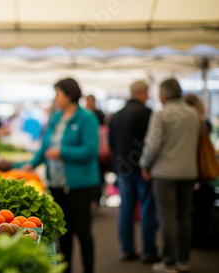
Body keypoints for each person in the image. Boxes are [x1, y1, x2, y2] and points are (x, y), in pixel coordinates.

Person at [23, 78, 100, 273]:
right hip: (56, 184)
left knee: (83, 232)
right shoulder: (57, 117)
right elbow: (45, 146)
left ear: (69, 95)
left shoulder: (87, 118)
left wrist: (62, 152)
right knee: (63, 233)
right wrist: (31, 164)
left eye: (58, 93)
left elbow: (91, 150)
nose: (55, 98)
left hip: (81, 185)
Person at [139, 79, 200, 273]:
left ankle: (169, 263)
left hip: (165, 173)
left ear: (164, 95)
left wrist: (144, 165)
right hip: (189, 172)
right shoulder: (193, 113)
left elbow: (152, 145)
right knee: (184, 216)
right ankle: (184, 260)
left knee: (167, 217)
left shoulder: (161, 114)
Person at [109, 81, 159, 263]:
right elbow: (152, 142)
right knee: (147, 209)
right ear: (142, 92)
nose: (148, 96)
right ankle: (148, 251)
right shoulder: (147, 113)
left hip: (123, 168)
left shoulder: (116, 115)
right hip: (142, 169)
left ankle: (127, 249)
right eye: (147, 92)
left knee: (126, 209)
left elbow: (111, 143)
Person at [184, 94, 215, 248]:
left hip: (185, 169)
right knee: (201, 206)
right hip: (199, 169)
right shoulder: (203, 123)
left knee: (186, 208)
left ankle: (188, 239)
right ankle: (199, 237)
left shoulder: (181, 123)